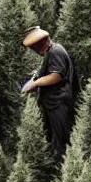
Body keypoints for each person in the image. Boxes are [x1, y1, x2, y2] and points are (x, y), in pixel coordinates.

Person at [20, 26, 76, 163]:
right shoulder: (49, 53)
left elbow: (55, 76)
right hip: (51, 105)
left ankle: (63, 168)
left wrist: (36, 83)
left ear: (42, 42)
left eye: (35, 47)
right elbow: (42, 74)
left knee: (61, 141)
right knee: (52, 139)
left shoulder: (56, 51)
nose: (35, 51)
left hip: (59, 104)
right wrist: (33, 82)